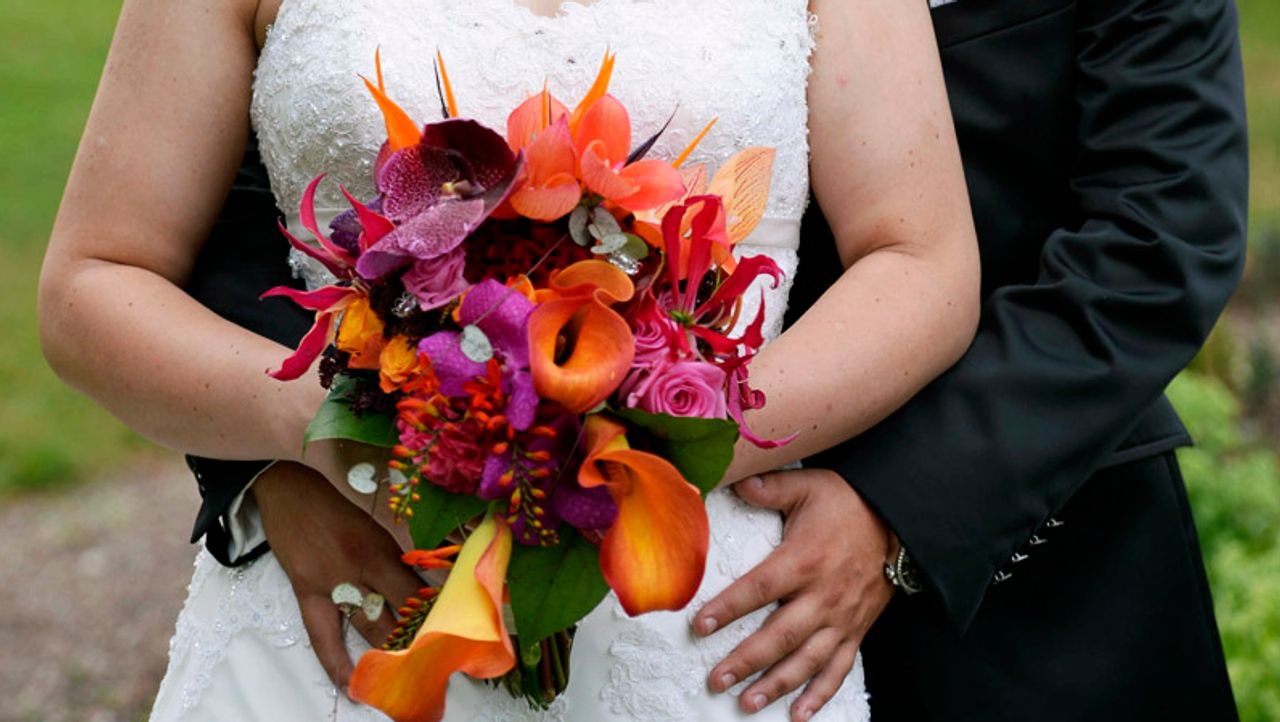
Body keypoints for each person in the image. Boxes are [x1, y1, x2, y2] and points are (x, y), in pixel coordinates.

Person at [174, 0, 1249, 720]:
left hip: (1006, 569)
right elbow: (255, 192)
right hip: (449, 535)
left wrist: (902, 506)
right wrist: (297, 455)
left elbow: (1156, 237)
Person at [38, 0, 981, 720]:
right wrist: (327, 434)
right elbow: (93, 282)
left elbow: (922, 259)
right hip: (358, 568)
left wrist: (665, 449)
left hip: (699, 606)